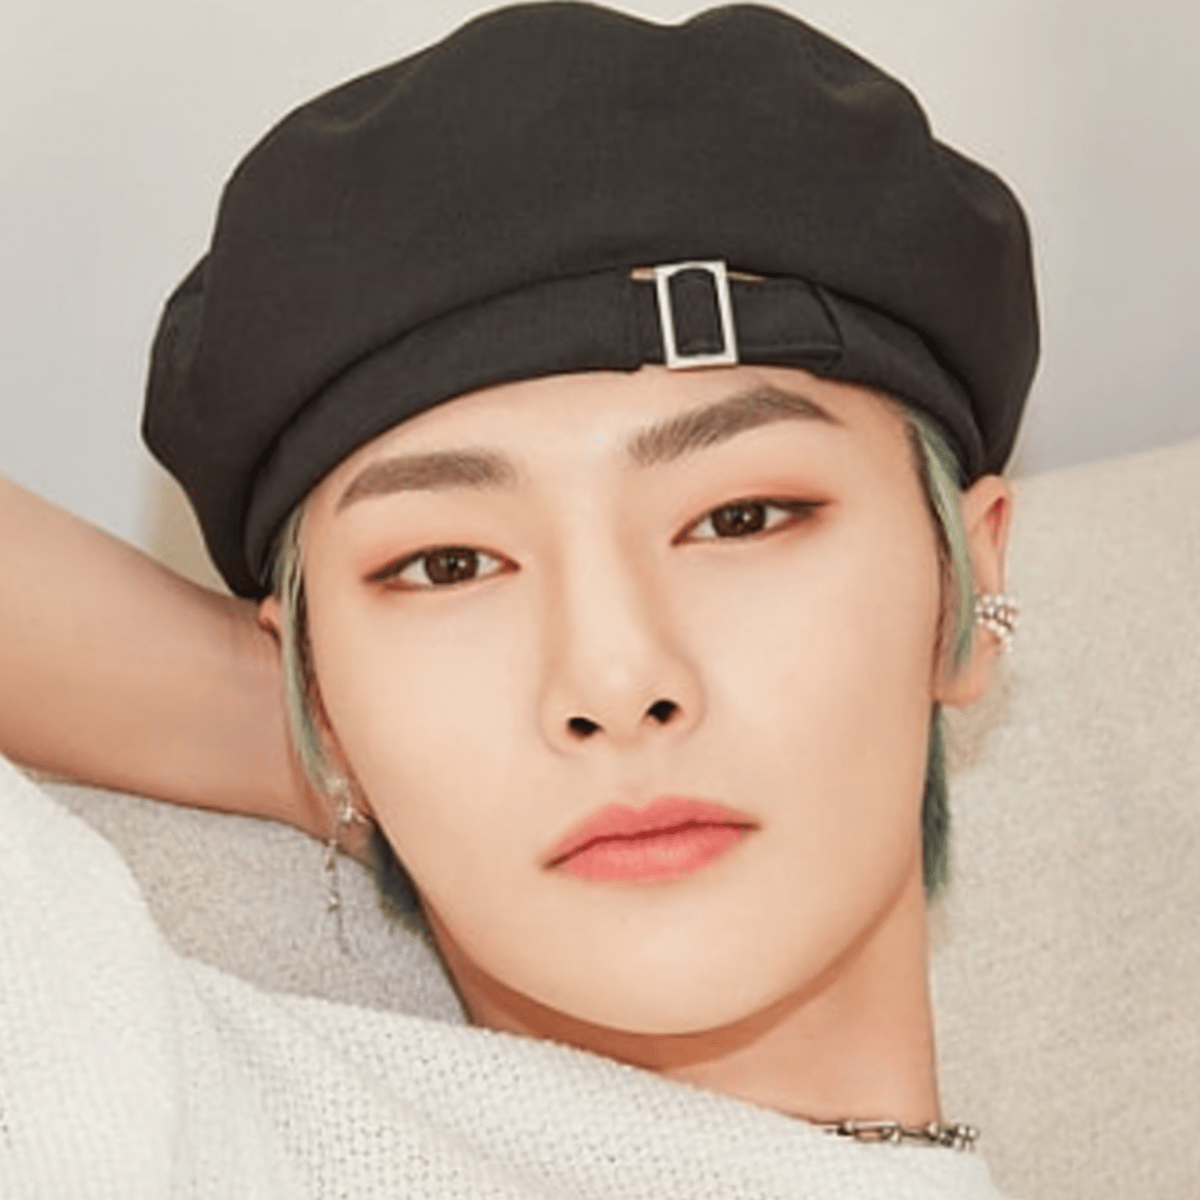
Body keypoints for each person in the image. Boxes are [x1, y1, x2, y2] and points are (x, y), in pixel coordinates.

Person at [0, 4, 1036, 1196]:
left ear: (971, 577)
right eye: (447, 566)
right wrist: (318, 731)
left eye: (740, 518)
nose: (615, 681)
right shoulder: (141, 1100)